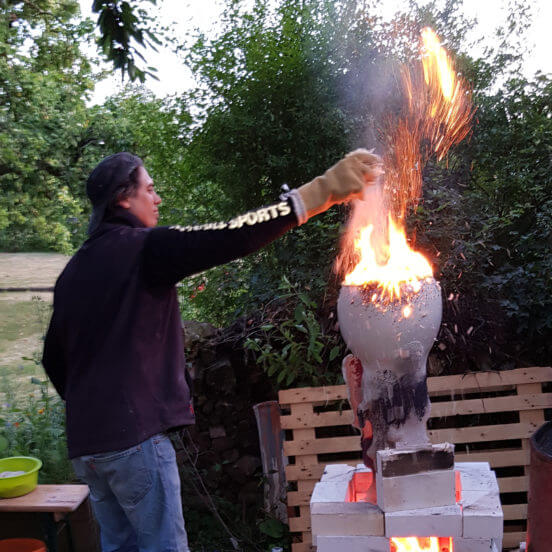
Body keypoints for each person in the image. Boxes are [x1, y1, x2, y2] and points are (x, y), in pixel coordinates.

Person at [42, 149, 382, 552]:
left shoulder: (73, 272)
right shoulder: (143, 248)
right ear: (123, 199)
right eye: (150, 189)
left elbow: (53, 359)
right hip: (133, 441)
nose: (158, 199)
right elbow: (230, 233)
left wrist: (94, 407)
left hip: (89, 448)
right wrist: (319, 193)